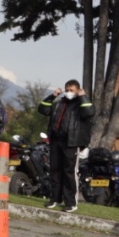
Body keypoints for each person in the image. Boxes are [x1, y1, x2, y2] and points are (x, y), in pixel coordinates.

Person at [37, 79, 94, 212]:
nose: (68, 93)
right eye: (67, 90)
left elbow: (89, 112)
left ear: (77, 90)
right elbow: (43, 109)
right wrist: (53, 96)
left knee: (69, 172)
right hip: (56, 141)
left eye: (71, 90)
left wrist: (83, 97)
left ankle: (71, 202)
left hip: (71, 142)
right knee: (55, 171)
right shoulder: (59, 103)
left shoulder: (81, 104)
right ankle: (55, 199)